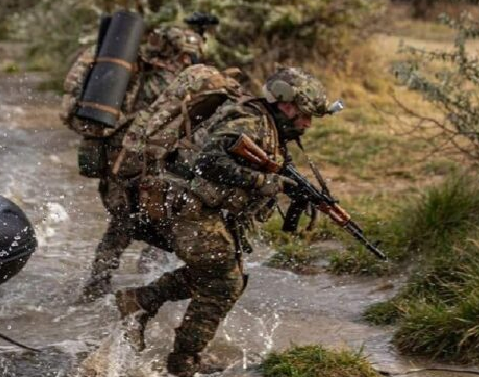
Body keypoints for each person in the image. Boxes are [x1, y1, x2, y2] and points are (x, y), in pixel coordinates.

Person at [114, 66, 337, 376]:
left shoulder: (270, 126)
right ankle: (182, 362)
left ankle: (141, 301)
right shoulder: (249, 121)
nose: (307, 123)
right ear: (285, 104)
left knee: (221, 277)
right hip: (187, 207)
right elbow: (210, 163)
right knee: (224, 283)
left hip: (200, 206)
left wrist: (301, 193)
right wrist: (266, 184)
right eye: (303, 114)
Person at [63, 26, 205, 302]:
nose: (188, 62)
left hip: (122, 163)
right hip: (131, 165)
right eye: (184, 55)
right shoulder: (162, 79)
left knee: (132, 222)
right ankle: (110, 285)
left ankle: (107, 284)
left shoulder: (136, 72)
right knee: (128, 223)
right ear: (171, 51)